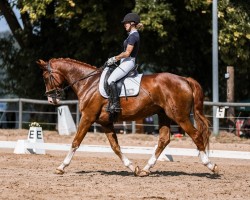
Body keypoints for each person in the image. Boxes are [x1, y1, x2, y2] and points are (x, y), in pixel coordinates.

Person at [106, 13, 143, 113]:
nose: (124, 25)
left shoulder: (133, 36)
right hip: (125, 61)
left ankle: (116, 104)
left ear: (132, 23)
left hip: (128, 61)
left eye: (126, 23)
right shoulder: (132, 35)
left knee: (111, 80)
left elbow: (127, 53)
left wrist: (114, 58)